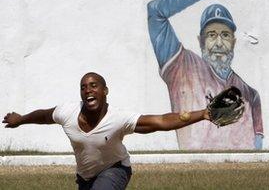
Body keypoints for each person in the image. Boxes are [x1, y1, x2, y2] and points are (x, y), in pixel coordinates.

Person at [2, 72, 212, 189]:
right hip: (85, 177)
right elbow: (44, 116)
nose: (88, 90)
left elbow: (161, 121)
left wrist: (203, 114)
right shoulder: (67, 112)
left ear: (105, 91)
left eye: (93, 85)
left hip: (115, 169)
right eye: (83, 87)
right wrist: (20, 119)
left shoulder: (118, 118)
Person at [146, 0, 264, 150]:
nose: (218, 42)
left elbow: (259, 151)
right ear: (200, 41)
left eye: (225, 35)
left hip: (240, 174)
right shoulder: (181, 66)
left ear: (234, 41)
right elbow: (155, 11)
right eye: (211, 35)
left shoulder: (251, 95)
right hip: (193, 172)